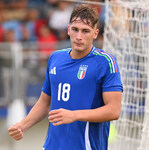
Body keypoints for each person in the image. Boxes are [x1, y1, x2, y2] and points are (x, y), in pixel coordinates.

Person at [8, 4, 123, 150]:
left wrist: (75, 115)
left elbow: (114, 110)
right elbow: (45, 102)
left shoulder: (105, 62)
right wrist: (22, 126)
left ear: (95, 33)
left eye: (85, 31)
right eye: (75, 29)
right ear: (68, 29)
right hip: (52, 146)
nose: (79, 36)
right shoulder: (55, 58)